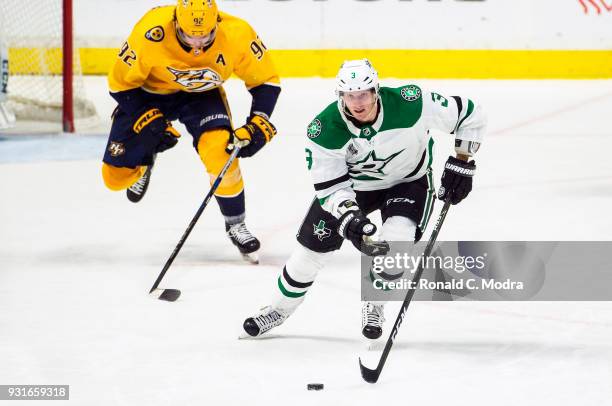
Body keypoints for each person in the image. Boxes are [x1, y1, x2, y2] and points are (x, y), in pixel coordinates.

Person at [242, 59, 486, 338]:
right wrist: (350, 218)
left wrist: (463, 162)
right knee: (308, 255)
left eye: (363, 94)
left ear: (376, 91)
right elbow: (331, 187)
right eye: (349, 95)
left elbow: (470, 114)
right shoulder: (324, 129)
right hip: (355, 187)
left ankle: (375, 303)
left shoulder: (411, 103)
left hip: (408, 182)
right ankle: (277, 310)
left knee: (397, 241)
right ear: (340, 96)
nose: (357, 103)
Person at [101, 0, 280, 262]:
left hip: (201, 94)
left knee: (221, 152)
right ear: (176, 24)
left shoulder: (237, 33)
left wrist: (258, 121)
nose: (197, 46)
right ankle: (143, 161)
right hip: (147, 94)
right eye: (188, 36)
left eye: (206, 36)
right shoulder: (150, 32)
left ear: (216, 24)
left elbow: (266, 80)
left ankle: (235, 224)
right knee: (114, 178)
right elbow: (119, 84)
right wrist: (146, 118)